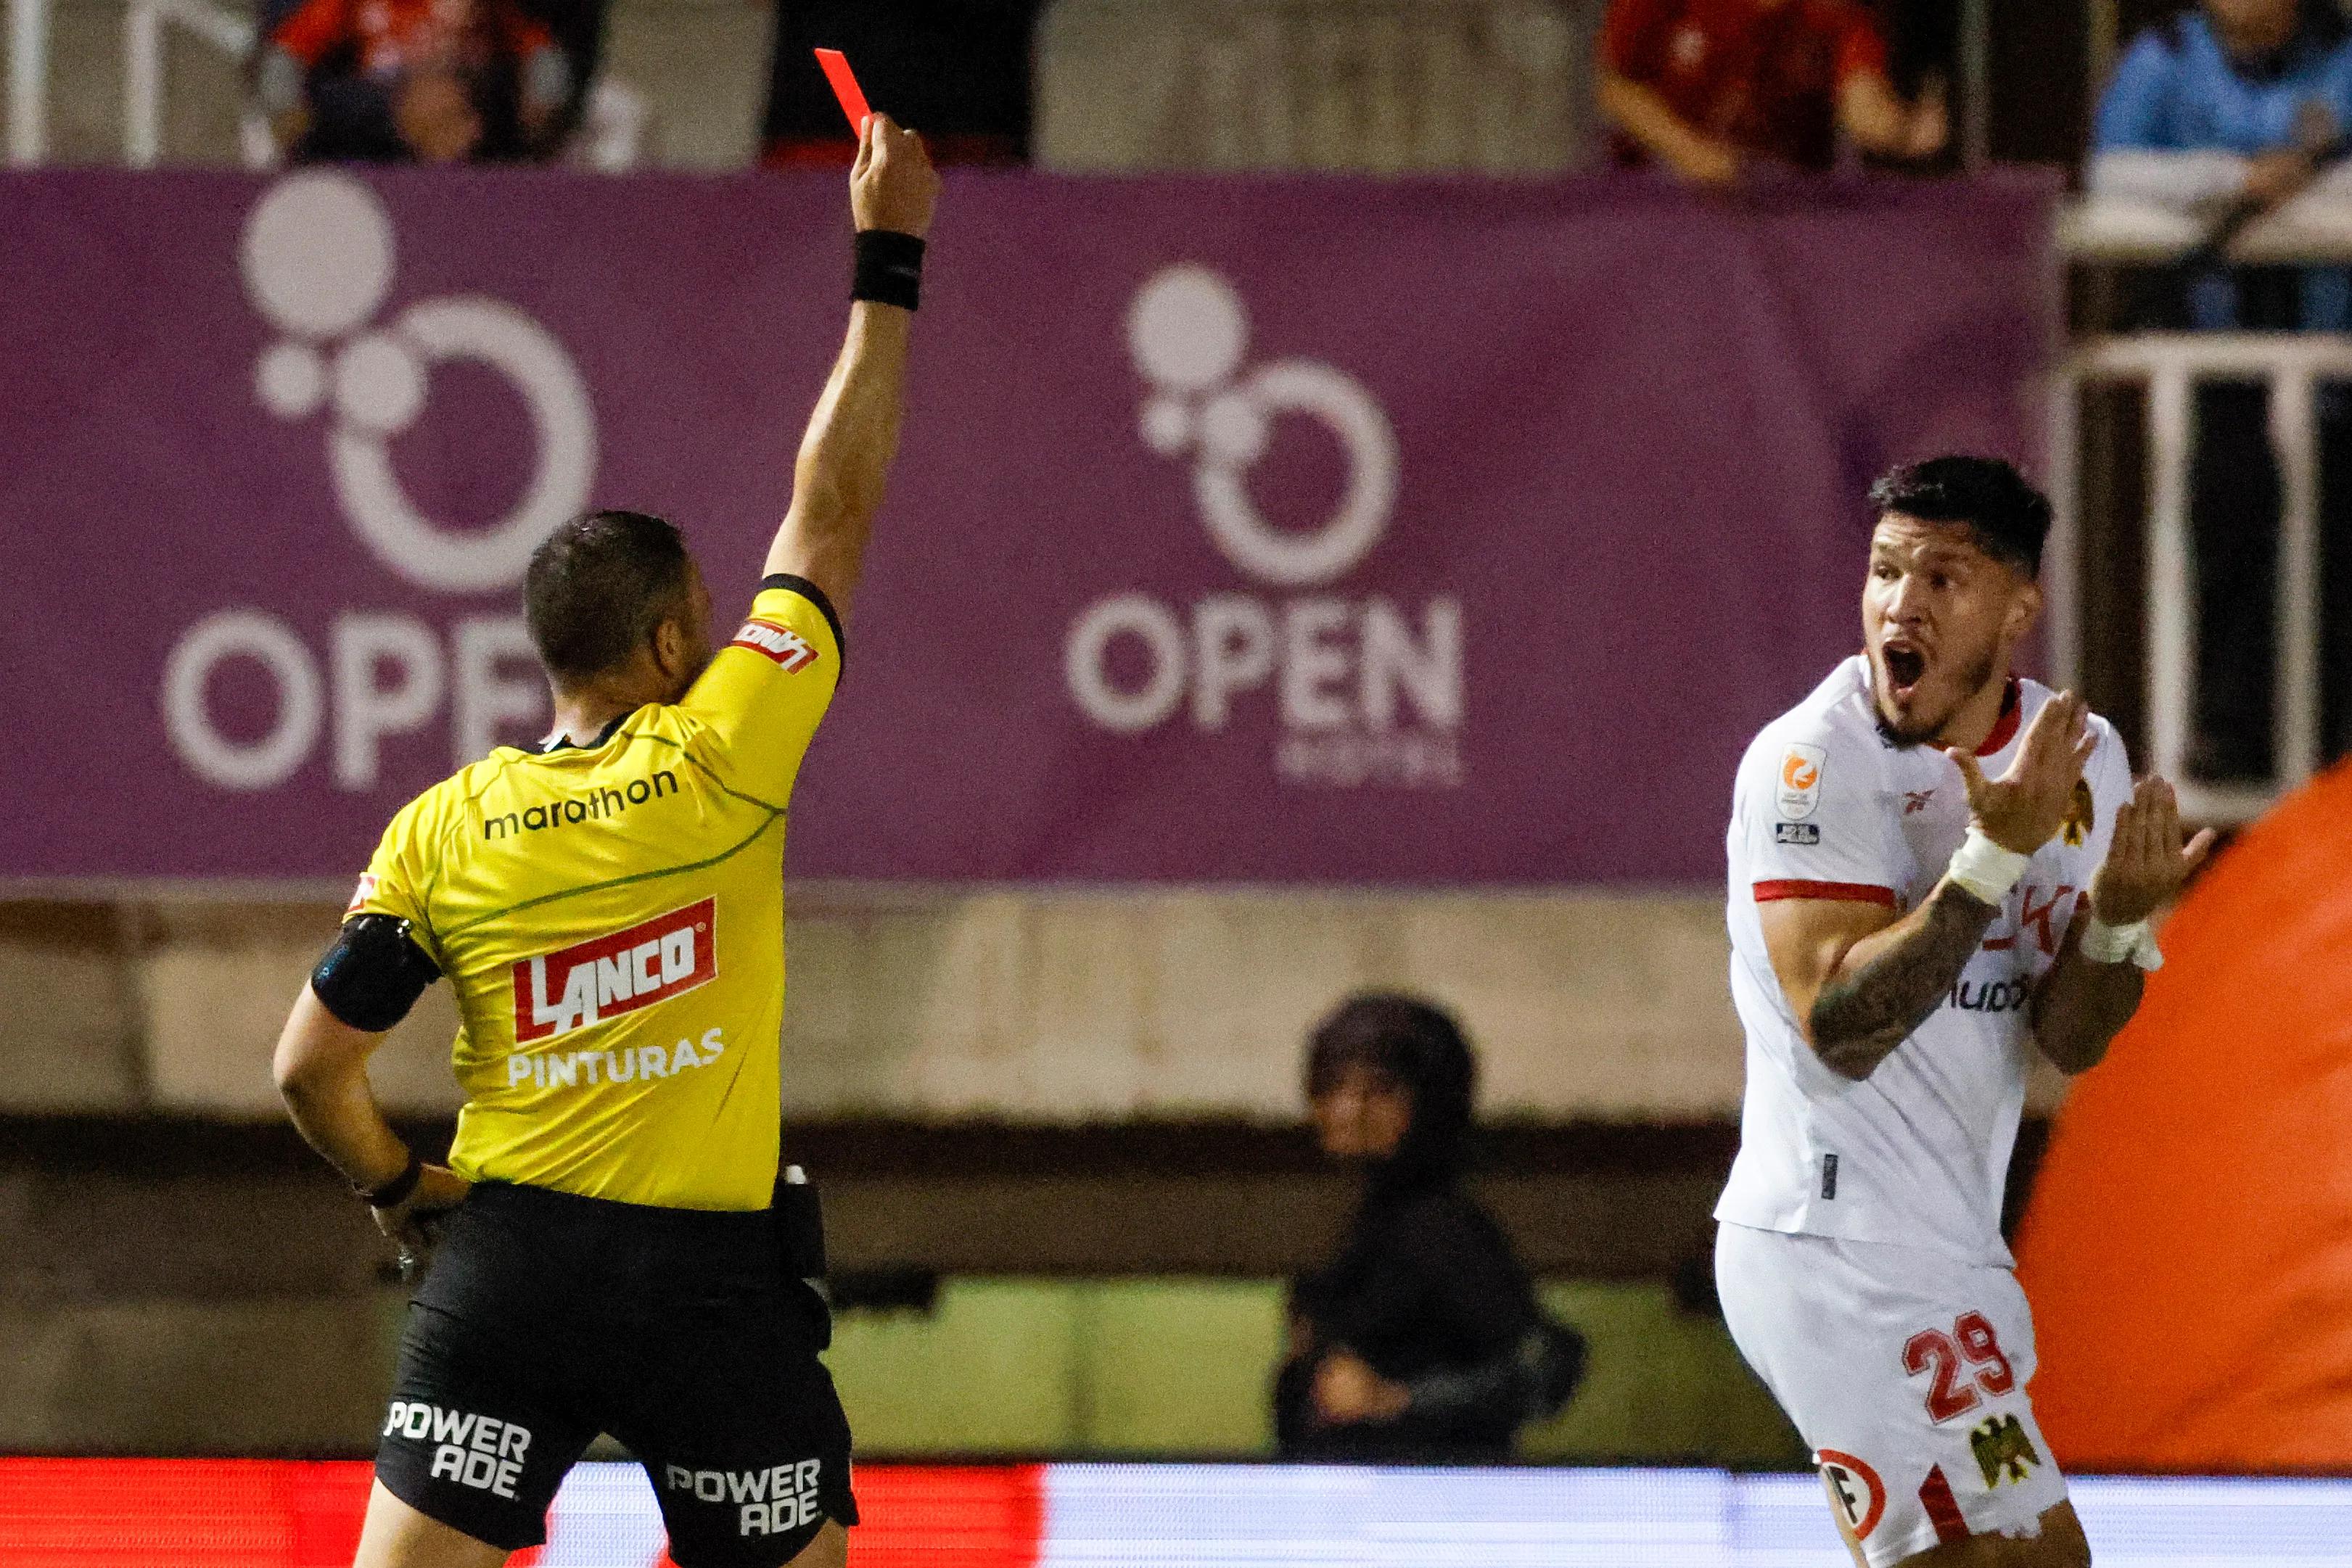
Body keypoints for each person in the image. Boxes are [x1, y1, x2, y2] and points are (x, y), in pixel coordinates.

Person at [269, 117, 939, 1568]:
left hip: (512, 1269)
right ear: (670, 639)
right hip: (712, 1287)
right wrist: (888, 258)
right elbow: (828, 515)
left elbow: (310, 1068)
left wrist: (400, 1191)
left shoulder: (440, 828)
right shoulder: (724, 747)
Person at [1714, 455, 2213, 1567]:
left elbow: (2066, 1037)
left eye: (1943, 579)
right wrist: (1990, 856)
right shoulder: (1809, 763)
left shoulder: (2075, 759)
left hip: (1947, 1243)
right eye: (1886, 570)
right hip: (1831, 1241)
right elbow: (1839, 1028)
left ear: (2016, 609)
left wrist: (2120, 927)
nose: (1901, 603)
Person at [2089, 0, 2352, 780]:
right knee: (2228, 547)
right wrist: (2233, 179)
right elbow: (2112, 174)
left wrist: (2291, 194)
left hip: (2336, 377)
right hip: (2216, 383)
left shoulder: (2340, 52)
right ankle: (2227, 759)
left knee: (2334, 571)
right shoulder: (2165, 57)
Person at [1272, 994, 1583, 1463]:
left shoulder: (1438, 1228)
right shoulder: (1370, 1223)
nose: (1347, 1111)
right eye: (1333, 1088)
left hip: (1426, 1508)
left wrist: (1400, 1401)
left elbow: (1546, 1365)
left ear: (1427, 1104)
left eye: (1378, 1092)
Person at [1596, 0, 1946, 184]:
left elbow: (1864, 100)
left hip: (1780, 219)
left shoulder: (1832, 20)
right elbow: (1618, 86)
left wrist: (1900, 131)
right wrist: (1688, 150)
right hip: (1651, 207)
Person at [258, 0, 575, 163]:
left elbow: (540, 51)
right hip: (380, 111)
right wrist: (287, 109)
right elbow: (288, 53)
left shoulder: (484, 8)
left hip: (470, 100)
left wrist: (543, 102)